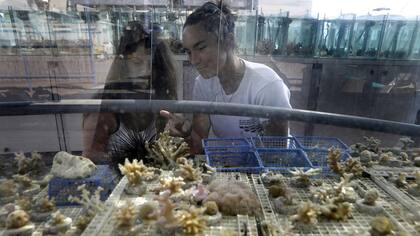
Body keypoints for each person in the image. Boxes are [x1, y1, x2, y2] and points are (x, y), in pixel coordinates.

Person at [161, 1, 292, 154]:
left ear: (228, 42)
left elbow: (277, 155)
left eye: (201, 48)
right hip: (229, 166)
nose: (193, 60)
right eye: (189, 52)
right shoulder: (203, 84)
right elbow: (199, 145)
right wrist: (187, 133)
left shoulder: (267, 86)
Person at [83, 21, 177, 162]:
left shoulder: (160, 102)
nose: (146, 71)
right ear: (123, 65)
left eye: (152, 64)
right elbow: (91, 157)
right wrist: (127, 164)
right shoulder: (107, 110)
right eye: (137, 63)